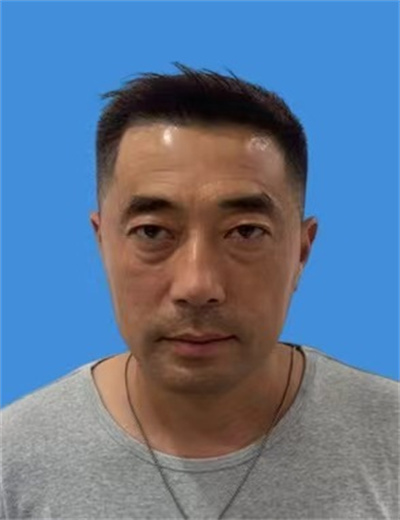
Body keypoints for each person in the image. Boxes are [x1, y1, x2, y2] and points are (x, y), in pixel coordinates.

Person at [1, 63, 398, 520]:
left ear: (302, 252)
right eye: (152, 232)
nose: (197, 285)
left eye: (245, 231)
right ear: (103, 243)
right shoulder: (13, 462)